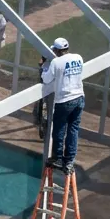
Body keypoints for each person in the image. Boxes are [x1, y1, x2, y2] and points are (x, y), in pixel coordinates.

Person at [41, 37, 84, 173]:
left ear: (57, 50)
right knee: (73, 130)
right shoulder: (78, 57)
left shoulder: (56, 62)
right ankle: (69, 161)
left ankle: (58, 158)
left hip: (65, 100)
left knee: (59, 129)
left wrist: (43, 67)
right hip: (79, 97)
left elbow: (47, 79)